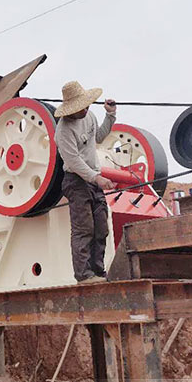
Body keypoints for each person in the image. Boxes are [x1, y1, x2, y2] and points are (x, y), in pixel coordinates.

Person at [53, 81, 117, 284]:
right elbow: (73, 161)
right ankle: (83, 275)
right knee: (84, 228)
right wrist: (97, 178)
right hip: (75, 180)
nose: (86, 109)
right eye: (82, 107)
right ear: (71, 109)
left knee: (101, 228)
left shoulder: (89, 116)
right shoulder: (63, 131)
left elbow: (97, 137)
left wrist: (110, 115)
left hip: (92, 178)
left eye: (87, 104)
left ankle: (98, 272)